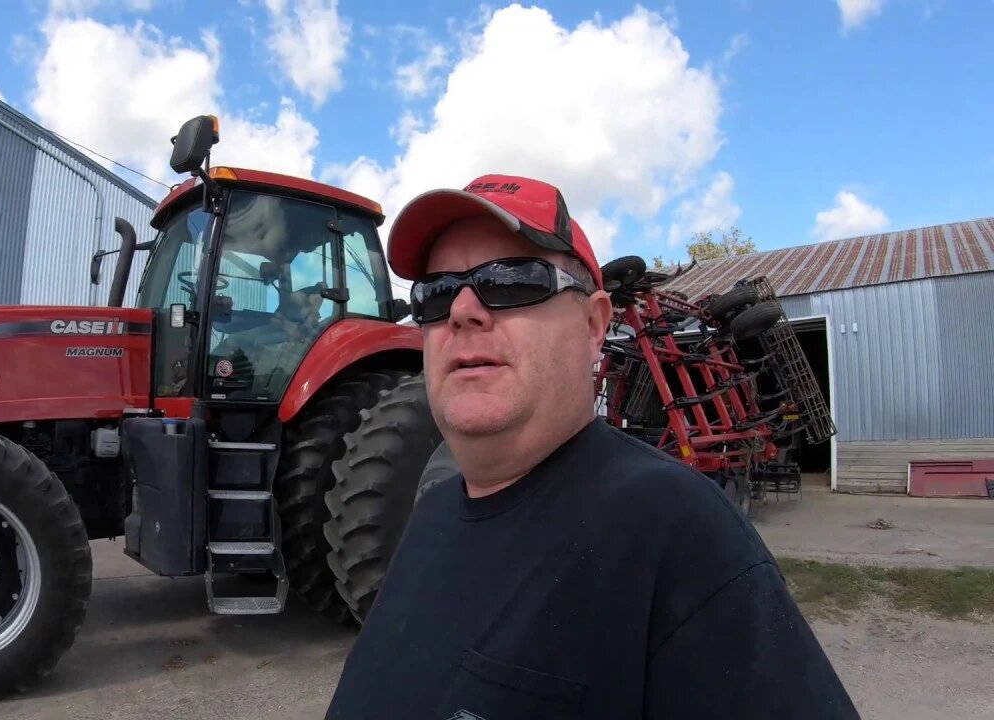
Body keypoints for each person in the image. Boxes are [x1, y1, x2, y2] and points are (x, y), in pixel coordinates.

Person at [323, 174, 859, 719]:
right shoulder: (431, 514)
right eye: (435, 293)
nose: (461, 310)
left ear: (591, 325)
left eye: (511, 280)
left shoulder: (677, 535)